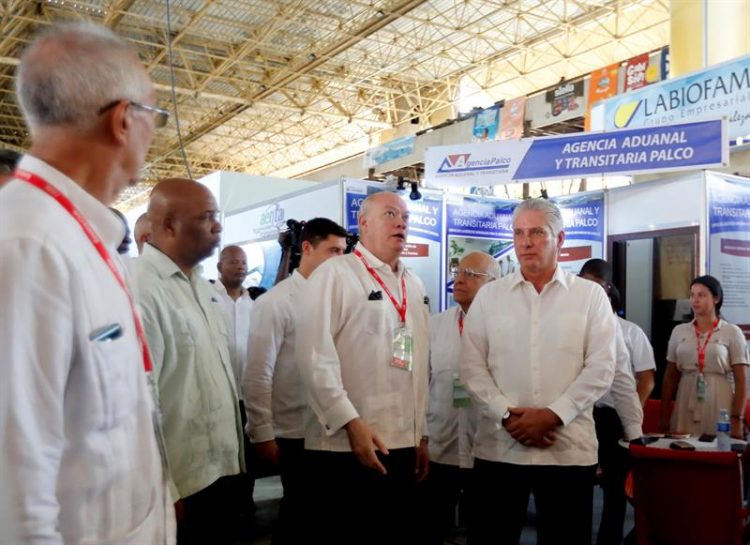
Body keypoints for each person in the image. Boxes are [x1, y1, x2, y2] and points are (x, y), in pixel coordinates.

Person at [0, 22, 174, 544]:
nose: (152, 132)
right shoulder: (27, 244)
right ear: (124, 119)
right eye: (154, 117)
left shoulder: (81, 238)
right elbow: (14, 490)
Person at [461, 198, 616, 545]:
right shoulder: (490, 297)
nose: (525, 242)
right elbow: (471, 367)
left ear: (560, 239)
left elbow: (602, 367)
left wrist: (552, 415)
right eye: (518, 233)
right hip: (499, 448)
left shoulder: (590, 297)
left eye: (536, 232)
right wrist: (506, 415)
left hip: (567, 450)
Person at [297, 191, 431, 545]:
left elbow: (414, 364)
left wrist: (420, 434)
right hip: (346, 445)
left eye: (405, 216)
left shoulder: (412, 284)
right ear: (364, 223)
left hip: (401, 444)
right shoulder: (335, 275)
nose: (401, 221)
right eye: (390, 213)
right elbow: (314, 358)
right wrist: (350, 423)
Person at [134, 178, 245, 545]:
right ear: (168, 225)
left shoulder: (202, 285)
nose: (219, 226)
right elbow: (135, 403)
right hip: (183, 485)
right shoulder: (141, 290)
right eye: (207, 217)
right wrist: (163, 489)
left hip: (223, 469)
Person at [244, 217, 348, 544]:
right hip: (294, 433)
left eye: (343, 251)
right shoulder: (274, 303)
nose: (340, 259)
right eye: (332, 250)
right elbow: (258, 372)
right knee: (299, 519)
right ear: (306, 248)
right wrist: (262, 431)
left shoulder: (340, 299)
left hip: (334, 428)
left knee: (329, 519)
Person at [420, 252, 500, 545]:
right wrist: (421, 438)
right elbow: (417, 382)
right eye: (458, 271)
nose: (459, 278)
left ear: (493, 284)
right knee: (430, 525)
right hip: (440, 446)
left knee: (487, 529)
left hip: (489, 446)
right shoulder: (434, 325)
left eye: (470, 274)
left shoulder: (504, 329)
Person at [579, 259, 646, 545]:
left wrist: (634, 432)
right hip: (578, 416)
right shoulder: (569, 321)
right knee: (577, 488)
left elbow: (630, 381)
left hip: (610, 417)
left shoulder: (624, 329)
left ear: (607, 289)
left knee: (614, 489)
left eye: (594, 285)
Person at [659, 275, 748, 438]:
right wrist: (664, 414)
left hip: (719, 395)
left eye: (701, 295)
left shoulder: (731, 332)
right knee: (683, 446)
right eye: (692, 295)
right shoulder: (679, 331)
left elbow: (741, 380)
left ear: (716, 298)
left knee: (717, 447)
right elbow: (670, 377)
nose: (695, 300)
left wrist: (737, 418)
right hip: (686, 393)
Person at [213, 244, 255, 527]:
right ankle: (221, 508)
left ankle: (245, 503)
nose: (239, 266)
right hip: (220, 394)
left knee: (249, 453)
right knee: (223, 450)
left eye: (242, 262)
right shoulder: (208, 298)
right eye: (233, 262)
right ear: (219, 266)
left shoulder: (254, 303)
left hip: (248, 394)